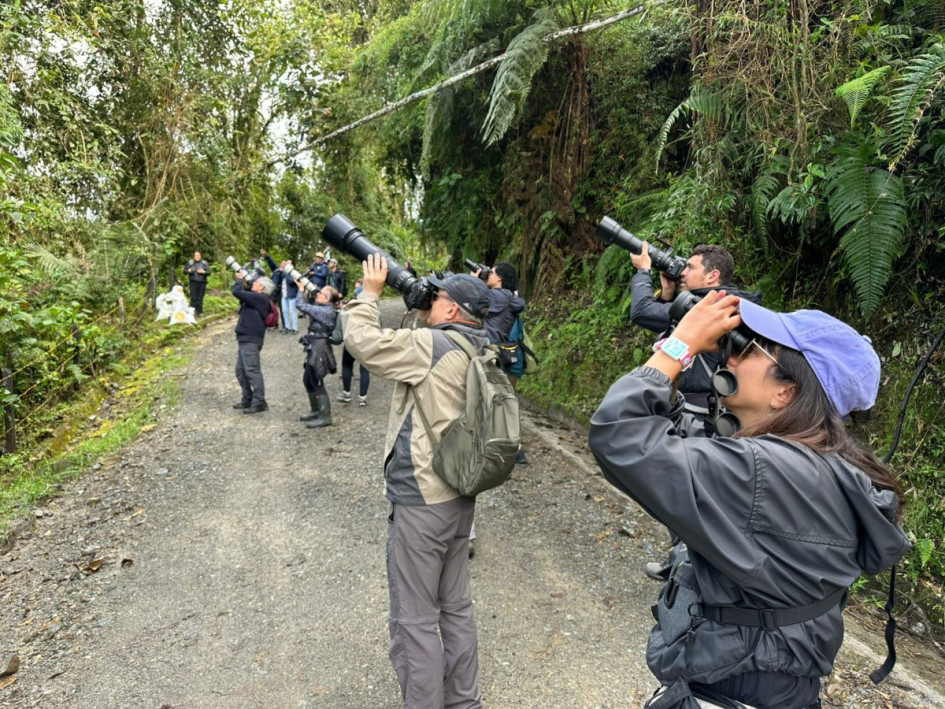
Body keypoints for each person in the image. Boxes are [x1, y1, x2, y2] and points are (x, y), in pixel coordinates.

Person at [589, 291, 909, 709]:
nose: (732, 357)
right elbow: (684, 453)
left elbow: (620, 435)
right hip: (775, 687)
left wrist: (677, 348)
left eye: (751, 349)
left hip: (729, 690)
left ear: (786, 393)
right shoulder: (823, 466)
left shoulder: (769, 471)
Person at [343, 255, 491, 709]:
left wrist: (369, 293)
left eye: (438, 294)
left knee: (415, 619)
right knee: (455, 609)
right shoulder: (479, 345)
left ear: (450, 309)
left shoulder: (432, 345)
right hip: (459, 497)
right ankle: (465, 701)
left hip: (422, 499)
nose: (431, 296)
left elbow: (362, 342)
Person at [630, 243, 761, 421]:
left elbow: (642, 311)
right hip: (708, 410)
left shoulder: (709, 308)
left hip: (696, 414)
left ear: (712, 276)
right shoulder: (731, 304)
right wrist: (667, 294)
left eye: (690, 267)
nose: (682, 272)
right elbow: (670, 326)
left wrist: (644, 270)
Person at [476, 261, 527, 466]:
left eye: (492, 271)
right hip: (511, 358)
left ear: (499, 279)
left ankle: (502, 450)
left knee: (492, 404)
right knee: (506, 403)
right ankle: (516, 448)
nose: (489, 273)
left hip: (496, 358)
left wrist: (474, 278)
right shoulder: (511, 298)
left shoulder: (497, 296)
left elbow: (473, 299)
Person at [295, 284, 342, 428]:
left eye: (321, 293)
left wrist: (301, 289)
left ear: (327, 299)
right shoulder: (323, 308)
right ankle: (315, 410)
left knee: (316, 380)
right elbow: (311, 303)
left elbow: (300, 304)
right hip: (314, 346)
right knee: (308, 379)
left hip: (319, 348)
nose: (317, 295)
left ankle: (325, 416)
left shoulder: (327, 311)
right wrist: (311, 290)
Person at [231, 270, 276, 414]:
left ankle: (259, 402)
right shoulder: (255, 297)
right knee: (240, 370)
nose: (253, 283)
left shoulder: (261, 298)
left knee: (252, 370)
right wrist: (246, 283)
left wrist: (239, 279)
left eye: (256, 283)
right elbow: (243, 295)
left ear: (262, 288)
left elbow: (237, 292)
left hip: (251, 338)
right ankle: (247, 398)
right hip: (245, 337)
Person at [271, 259, 300, 334]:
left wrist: (285, 272)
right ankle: (287, 327)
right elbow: (276, 281)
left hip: (291, 295)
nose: (286, 265)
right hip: (284, 295)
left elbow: (291, 282)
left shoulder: (293, 273)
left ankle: (295, 328)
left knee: (292, 311)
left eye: (288, 264)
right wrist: (280, 272)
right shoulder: (282, 272)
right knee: (284, 311)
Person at [184, 251, 210, 316]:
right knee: (193, 297)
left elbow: (209, 272)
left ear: (200, 256)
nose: (197, 257)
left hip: (202, 282)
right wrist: (188, 271)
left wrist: (204, 272)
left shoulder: (204, 263)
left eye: (198, 255)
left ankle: (199, 312)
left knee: (200, 297)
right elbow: (184, 271)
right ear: (194, 256)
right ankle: (192, 311)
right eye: (196, 255)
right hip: (193, 282)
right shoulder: (190, 262)